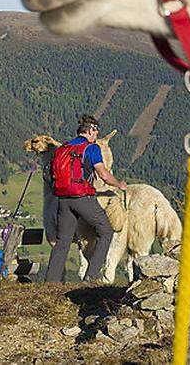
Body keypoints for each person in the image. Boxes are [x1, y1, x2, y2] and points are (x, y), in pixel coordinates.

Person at [44, 115, 126, 283]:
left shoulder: (63, 148)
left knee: (63, 241)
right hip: (82, 197)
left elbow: (50, 174)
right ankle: (92, 276)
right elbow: (103, 174)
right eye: (96, 131)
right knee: (106, 231)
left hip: (63, 199)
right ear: (89, 131)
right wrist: (119, 184)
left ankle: (51, 282)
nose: (96, 135)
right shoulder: (91, 148)